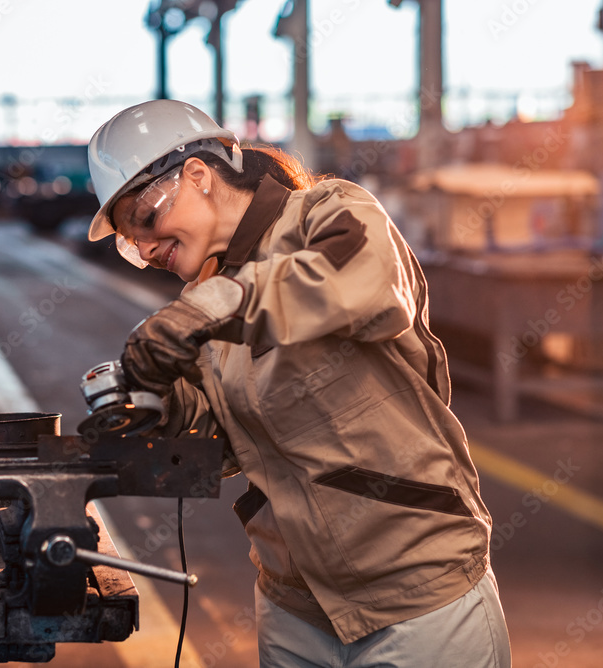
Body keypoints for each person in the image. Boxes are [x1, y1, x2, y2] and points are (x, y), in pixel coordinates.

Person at [86, 99, 512, 667]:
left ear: (196, 175)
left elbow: (365, 282)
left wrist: (214, 307)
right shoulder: (208, 306)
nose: (144, 247)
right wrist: (151, 406)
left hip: (417, 602)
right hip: (295, 612)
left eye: (145, 219)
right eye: (127, 239)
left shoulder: (328, 214)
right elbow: (221, 444)